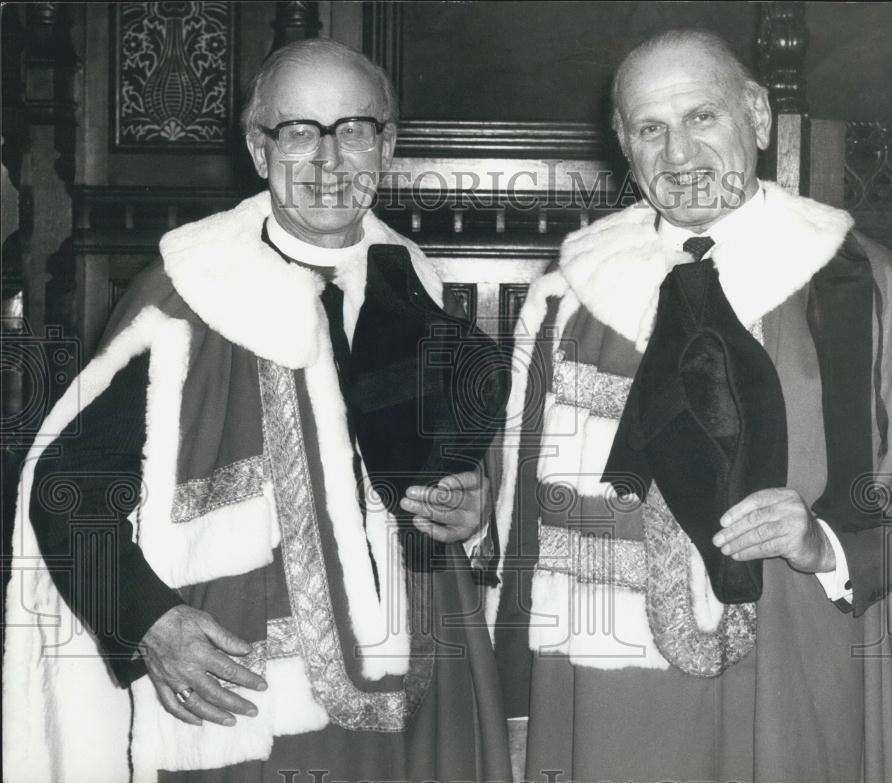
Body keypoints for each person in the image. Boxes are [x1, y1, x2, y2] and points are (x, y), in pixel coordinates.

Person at [489, 28, 892, 783]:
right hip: (606, 696)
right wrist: (515, 705)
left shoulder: (853, 281)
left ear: (757, 117)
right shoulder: (566, 299)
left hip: (796, 665)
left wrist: (828, 544)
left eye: (703, 116)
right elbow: (518, 520)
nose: (678, 153)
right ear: (624, 144)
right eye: (650, 129)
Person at [3, 40, 512, 783]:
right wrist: (151, 623)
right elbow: (65, 490)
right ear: (258, 148)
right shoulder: (185, 299)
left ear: (387, 145)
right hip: (256, 704)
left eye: (354, 129)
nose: (329, 159)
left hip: (422, 684)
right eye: (300, 131)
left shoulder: (413, 279)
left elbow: (459, 466)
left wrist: (474, 508)